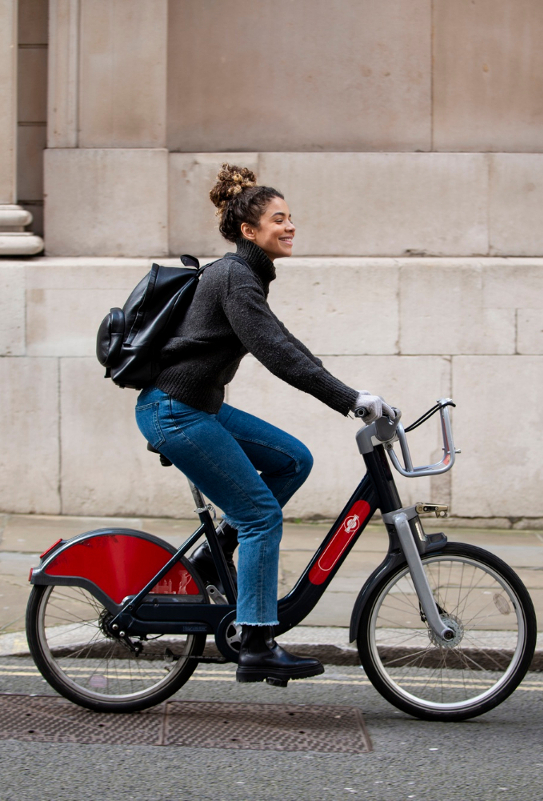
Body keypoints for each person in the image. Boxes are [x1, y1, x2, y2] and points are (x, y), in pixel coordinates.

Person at [134, 164, 393, 686]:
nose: (291, 226)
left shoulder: (245, 277)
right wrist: (348, 400)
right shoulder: (234, 276)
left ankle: (211, 561)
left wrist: (355, 392)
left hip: (193, 407)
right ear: (249, 231)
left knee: (293, 460)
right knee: (259, 517)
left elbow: (286, 342)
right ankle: (255, 642)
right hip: (175, 411)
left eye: (291, 217)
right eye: (279, 218)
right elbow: (276, 354)